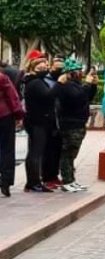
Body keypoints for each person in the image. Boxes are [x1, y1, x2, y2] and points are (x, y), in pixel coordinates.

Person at [50, 58, 98, 193]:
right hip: (70, 124)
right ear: (70, 73)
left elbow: (86, 97)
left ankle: (71, 179)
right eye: (77, 71)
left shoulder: (76, 85)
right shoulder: (66, 86)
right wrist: (87, 85)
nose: (80, 73)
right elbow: (77, 97)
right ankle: (67, 180)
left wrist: (93, 86)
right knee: (68, 153)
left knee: (72, 154)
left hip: (79, 122)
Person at [23, 51, 54, 193]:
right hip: (37, 121)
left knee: (34, 151)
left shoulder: (33, 81)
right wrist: (59, 84)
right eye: (43, 65)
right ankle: (34, 181)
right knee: (36, 152)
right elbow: (48, 96)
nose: (46, 67)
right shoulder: (35, 82)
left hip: (35, 120)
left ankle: (33, 181)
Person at [0, 70, 24, 197]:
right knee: (7, 149)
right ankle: (6, 181)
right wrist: (18, 114)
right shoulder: (2, 78)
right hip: (4, 116)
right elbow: (12, 96)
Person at [42, 55, 65, 190]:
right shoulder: (46, 81)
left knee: (57, 150)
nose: (59, 70)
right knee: (48, 151)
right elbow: (49, 96)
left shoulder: (63, 80)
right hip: (49, 120)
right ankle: (47, 177)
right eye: (56, 67)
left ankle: (54, 175)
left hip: (61, 120)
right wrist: (59, 84)